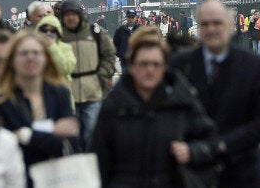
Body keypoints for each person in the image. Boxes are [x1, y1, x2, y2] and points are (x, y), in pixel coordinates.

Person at [89, 27, 219, 187]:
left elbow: (211, 141)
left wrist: (191, 151)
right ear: (132, 66)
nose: (150, 70)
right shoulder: (114, 105)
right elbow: (98, 158)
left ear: (164, 67)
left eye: (156, 64)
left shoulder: (182, 101)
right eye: (143, 64)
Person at [170, 0, 260, 188]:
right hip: (195, 174)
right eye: (205, 24)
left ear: (229, 24)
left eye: (217, 23)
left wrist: (223, 145)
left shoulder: (254, 66)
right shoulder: (179, 65)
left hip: (243, 173)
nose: (211, 29)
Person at [0, 32, 79, 186]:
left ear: (46, 58)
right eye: (24, 53)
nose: (30, 57)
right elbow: (4, 148)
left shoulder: (60, 93)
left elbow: (70, 142)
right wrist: (53, 130)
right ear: (12, 60)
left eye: (36, 53)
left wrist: (26, 134)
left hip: (57, 179)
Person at [59, 0, 116, 150]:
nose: (71, 18)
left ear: (80, 15)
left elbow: (109, 54)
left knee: (92, 131)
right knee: (74, 134)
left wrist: (101, 75)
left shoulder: (95, 32)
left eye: (74, 14)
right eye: (67, 15)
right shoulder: (59, 36)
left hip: (93, 91)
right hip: (68, 94)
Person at [36, 16, 77, 86]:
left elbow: (66, 68)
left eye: (52, 30)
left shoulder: (66, 47)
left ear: (58, 33)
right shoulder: (33, 49)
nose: (48, 33)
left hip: (61, 90)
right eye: (44, 30)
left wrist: (52, 46)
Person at [113, 9, 140, 74]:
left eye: (132, 17)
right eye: (129, 17)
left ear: (136, 18)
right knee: (126, 81)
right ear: (126, 17)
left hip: (138, 61)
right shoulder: (120, 30)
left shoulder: (141, 29)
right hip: (125, 62)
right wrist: (121, 54)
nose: (130, 19)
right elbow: (115, 44)